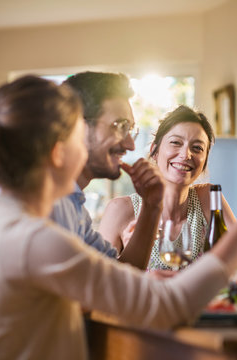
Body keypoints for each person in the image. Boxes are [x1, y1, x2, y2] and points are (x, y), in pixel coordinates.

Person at [0, 75, 237, 359]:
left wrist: (144, 278)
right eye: (78, 137)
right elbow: (165, 306)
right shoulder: (36, 239)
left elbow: (113, 279)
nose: (131, 142)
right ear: (58, 152)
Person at [98, 105, 237, 270]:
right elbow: (99, 287)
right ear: (155, 150)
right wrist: (132, 254)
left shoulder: (209, 199)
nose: (186, 155)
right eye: (176, 142)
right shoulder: (120, 210)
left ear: (204, 161)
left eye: (197, 148)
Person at [51, 71, 163, 270]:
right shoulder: (51, 207)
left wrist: (152, 206)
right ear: (76, 126)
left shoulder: (74, 205)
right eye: (120, 126)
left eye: (130, 130)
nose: (130, 145)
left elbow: (119, 275)